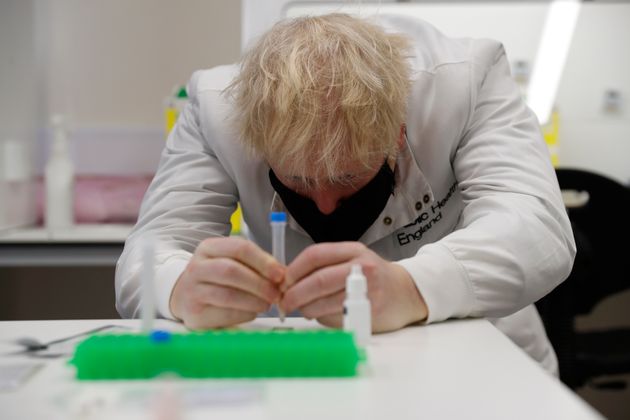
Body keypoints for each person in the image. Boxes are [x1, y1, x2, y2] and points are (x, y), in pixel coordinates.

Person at [116, 13, 575, 374]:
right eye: (296, 180)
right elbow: (149, 252)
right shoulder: (218, 108)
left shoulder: (465, 81)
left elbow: (538, 230)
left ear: (397, 133)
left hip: (479, 359)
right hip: (303, 359)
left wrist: (411, 288)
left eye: (345, 177)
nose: (324, 206)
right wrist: (180, 286)